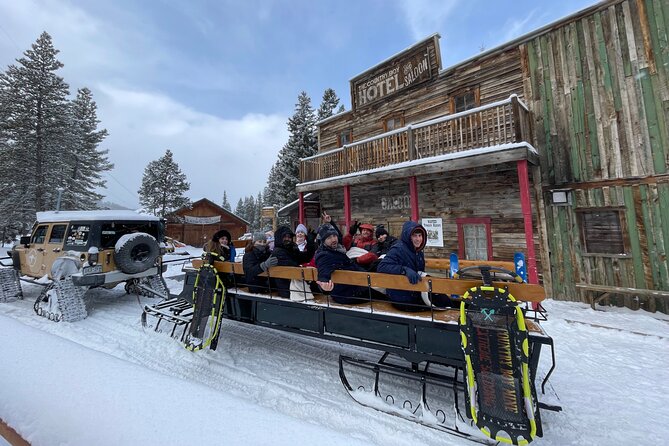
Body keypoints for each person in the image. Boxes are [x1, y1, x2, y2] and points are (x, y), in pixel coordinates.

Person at [377, 220, 451, 311]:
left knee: (445, 300)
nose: (418, 239)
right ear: (408, 237)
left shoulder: (418, 251)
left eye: (420, 236)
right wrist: (404, 270)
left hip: (415, 290)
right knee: (437, 307)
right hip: (401, 296)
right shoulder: (398, 249)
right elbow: (382, 266)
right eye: (414, 236)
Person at [315, 224, 385, 304]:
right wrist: (324, 286)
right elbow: (323, 271)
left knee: (379, 287)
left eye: (334, 236)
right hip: (346, 293)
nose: (333, 239)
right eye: (329, 238)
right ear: (323, 241)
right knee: (383, 295)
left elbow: (352, 265)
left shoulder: (336, 250)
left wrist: (365, 274)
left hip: (351, 286)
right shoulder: (324, 255)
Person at [269, 225, 316, 298]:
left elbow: (306, 258)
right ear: (279, 238)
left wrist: (310, 242)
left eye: (289, 237)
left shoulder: (290, 249)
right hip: (287, 288)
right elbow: (293, 266)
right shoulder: (278, 252)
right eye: (285, 237)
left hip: (295, 286)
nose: (287, 239)